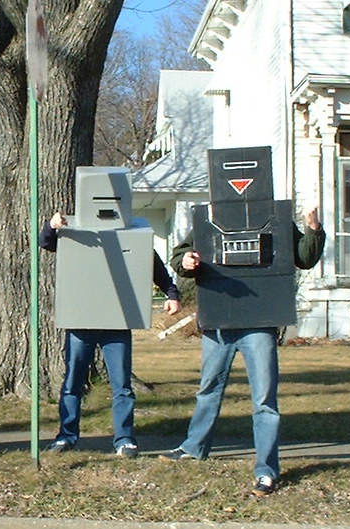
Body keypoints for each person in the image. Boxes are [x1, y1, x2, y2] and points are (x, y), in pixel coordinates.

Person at [159, 206, 325, 496]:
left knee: (264, 398)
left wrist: (313, 230)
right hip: (219, 321)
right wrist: (185, 261)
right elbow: (179, 256)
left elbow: (303, 257)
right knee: (208, 387)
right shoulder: (211, 216)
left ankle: (266, 470)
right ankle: (194, 448)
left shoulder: (275, 216)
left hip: (259, 323)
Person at [41, 211, 182, 457]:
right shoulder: (75, 233)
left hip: (116, 321)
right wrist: (51, 226)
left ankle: (125, 439)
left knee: (122, 386)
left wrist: (171, 293)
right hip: (81, 321)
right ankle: (66, 436)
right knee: (72, 382)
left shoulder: (131, 235)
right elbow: (47, 242)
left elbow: (153, 263)